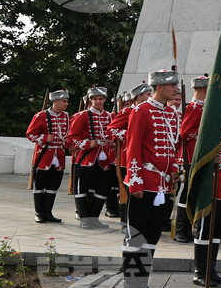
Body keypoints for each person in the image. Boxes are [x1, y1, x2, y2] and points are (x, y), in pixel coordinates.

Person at [120, 70, 181, 288]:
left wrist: (173, 168)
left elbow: (173, 147)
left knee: (152, 237)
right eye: (172, 85)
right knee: (136, 237)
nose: (176, 89)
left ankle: (142, 284)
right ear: (159, 87)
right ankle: (131, 287)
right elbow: (133, 147)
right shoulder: (141, 111)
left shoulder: (172, 113)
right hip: (143, 184)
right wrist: (135, 181)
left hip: (162, 185)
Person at [191, 93, 221, 288]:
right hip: (211, 184)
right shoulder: (210, 129)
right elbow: (198, 155)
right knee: (205, 229)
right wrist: (211, 160)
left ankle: (211, 269)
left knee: (217, 229)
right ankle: (200, 271)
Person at [67, 86, 115, 229]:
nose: (98, 102)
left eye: (100, 99)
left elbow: (112, 134)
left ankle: (94, 218)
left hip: (104, 159)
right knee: (82, 188)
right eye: (95, 99)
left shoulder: (109, 116)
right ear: (90, 100)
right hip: (86, 158)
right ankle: (84, 218)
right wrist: (87, 144)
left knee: (102, 189)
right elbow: (71, 137)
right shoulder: (83, 115)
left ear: (105, 99)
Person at [108, 83, 151, 227]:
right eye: (148, 95)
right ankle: (124, 221)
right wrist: (131, 135)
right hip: (127, 158)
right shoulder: (128, 111)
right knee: (126, 192)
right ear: (139, 97)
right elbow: (112, 129)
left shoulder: (149, 111)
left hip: (143, 158)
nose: (151, 97)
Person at [27, 89, 71, 224]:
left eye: (67, 101)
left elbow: (67, 135)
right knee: (40, 185)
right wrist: (45, 138)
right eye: (64, 101)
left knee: (53, 186)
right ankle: (38, 213)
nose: (66, 104)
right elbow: (30, 134)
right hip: (44, 155)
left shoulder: (66, 116)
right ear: (55, 101)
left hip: (59, 155)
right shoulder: (40, 116)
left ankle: (48, 213)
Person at [174, 74, 209, 243]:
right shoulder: (195, 107)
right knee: (187, 194)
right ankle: (181, 230)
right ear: (204, 90)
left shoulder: (202, 107)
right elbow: (185, 132)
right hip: (189, 156)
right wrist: (203, 133)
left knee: (193, 193)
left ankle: (187, 228)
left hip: (197, 155)